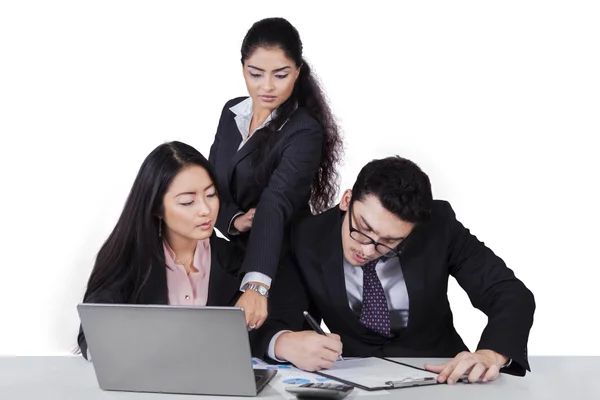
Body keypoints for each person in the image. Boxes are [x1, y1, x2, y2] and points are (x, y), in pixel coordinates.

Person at [254, 156, 536, 384]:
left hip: (442, 377)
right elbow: (278, 317)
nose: (366, 250)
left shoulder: (439, 227)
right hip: (353, 380)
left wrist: (491, 354)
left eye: (389, 242)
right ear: (347, 199)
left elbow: (508, 293)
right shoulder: (304, 237)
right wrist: (284, 343)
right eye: (362, 230)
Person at [209, 17, 343, 331]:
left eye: (280, 75)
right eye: (256, 74)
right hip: (231, 257)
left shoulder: (303, 130)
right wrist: (232, 219)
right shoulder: (232, 113)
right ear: (243, 68)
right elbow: (211, 184)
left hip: (282, 264)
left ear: (297, 72)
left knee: (278, 352)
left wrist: (256, 285)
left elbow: (276, 201)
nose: (267, 87)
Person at [77, 141, 246, 359]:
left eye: (211, 195)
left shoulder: (234, 260)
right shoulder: (130, 258)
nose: (205, 210)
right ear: (156, 208)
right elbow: (91, 335)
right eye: (187, 202)